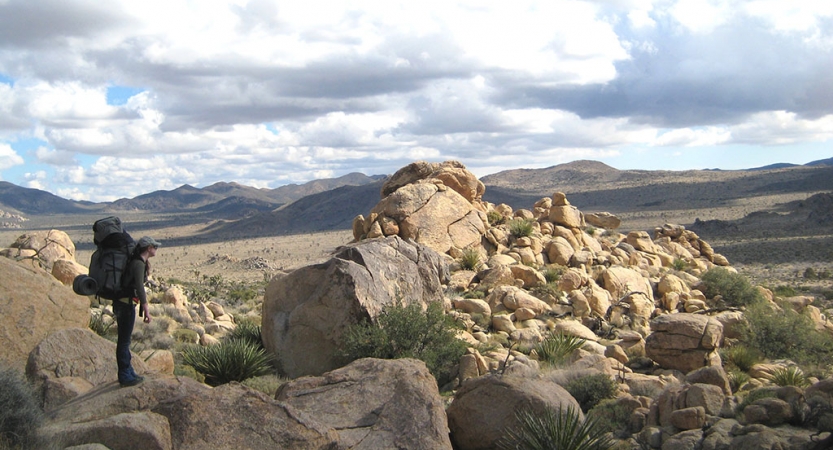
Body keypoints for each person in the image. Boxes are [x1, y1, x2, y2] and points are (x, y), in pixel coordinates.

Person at [113, 235, 160, 387]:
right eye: (155, 247)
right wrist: (146, 308)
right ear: (148, 248)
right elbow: (139, 287)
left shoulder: (137, 262)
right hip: (125, 305)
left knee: (125, 340)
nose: (156, 249)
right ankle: (125, 375)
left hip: (123, 303)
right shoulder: (138, 264)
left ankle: (128, 370)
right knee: (124, 341)